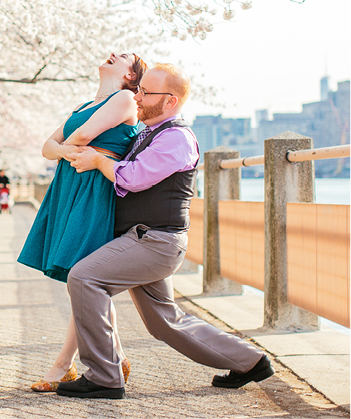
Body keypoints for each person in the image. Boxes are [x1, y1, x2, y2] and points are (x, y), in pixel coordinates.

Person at [58, 64, 273, 400]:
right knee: (164, 322)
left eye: (146, 93)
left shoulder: (176, 138)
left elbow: (133, 177)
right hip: (144, 240)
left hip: (155, 242)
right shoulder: (150, 134)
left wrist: (98, 161)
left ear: (170, 101)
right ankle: (250, 361)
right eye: (139, 90)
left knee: (84, 278)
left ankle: (104, 377)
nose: (137, 97)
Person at [18, 52, 146, 392]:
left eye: (124, 57)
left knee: (83, 277)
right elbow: (47, 148)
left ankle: (64, 365)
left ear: (131, 76)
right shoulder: (83, 105)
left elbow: (83, 135)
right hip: (70, 186)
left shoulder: (125, 99)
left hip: (93, 191)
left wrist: (64, 147)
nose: (113, 54)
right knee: (84, 282)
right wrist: (63, 150)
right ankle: (117, 357)